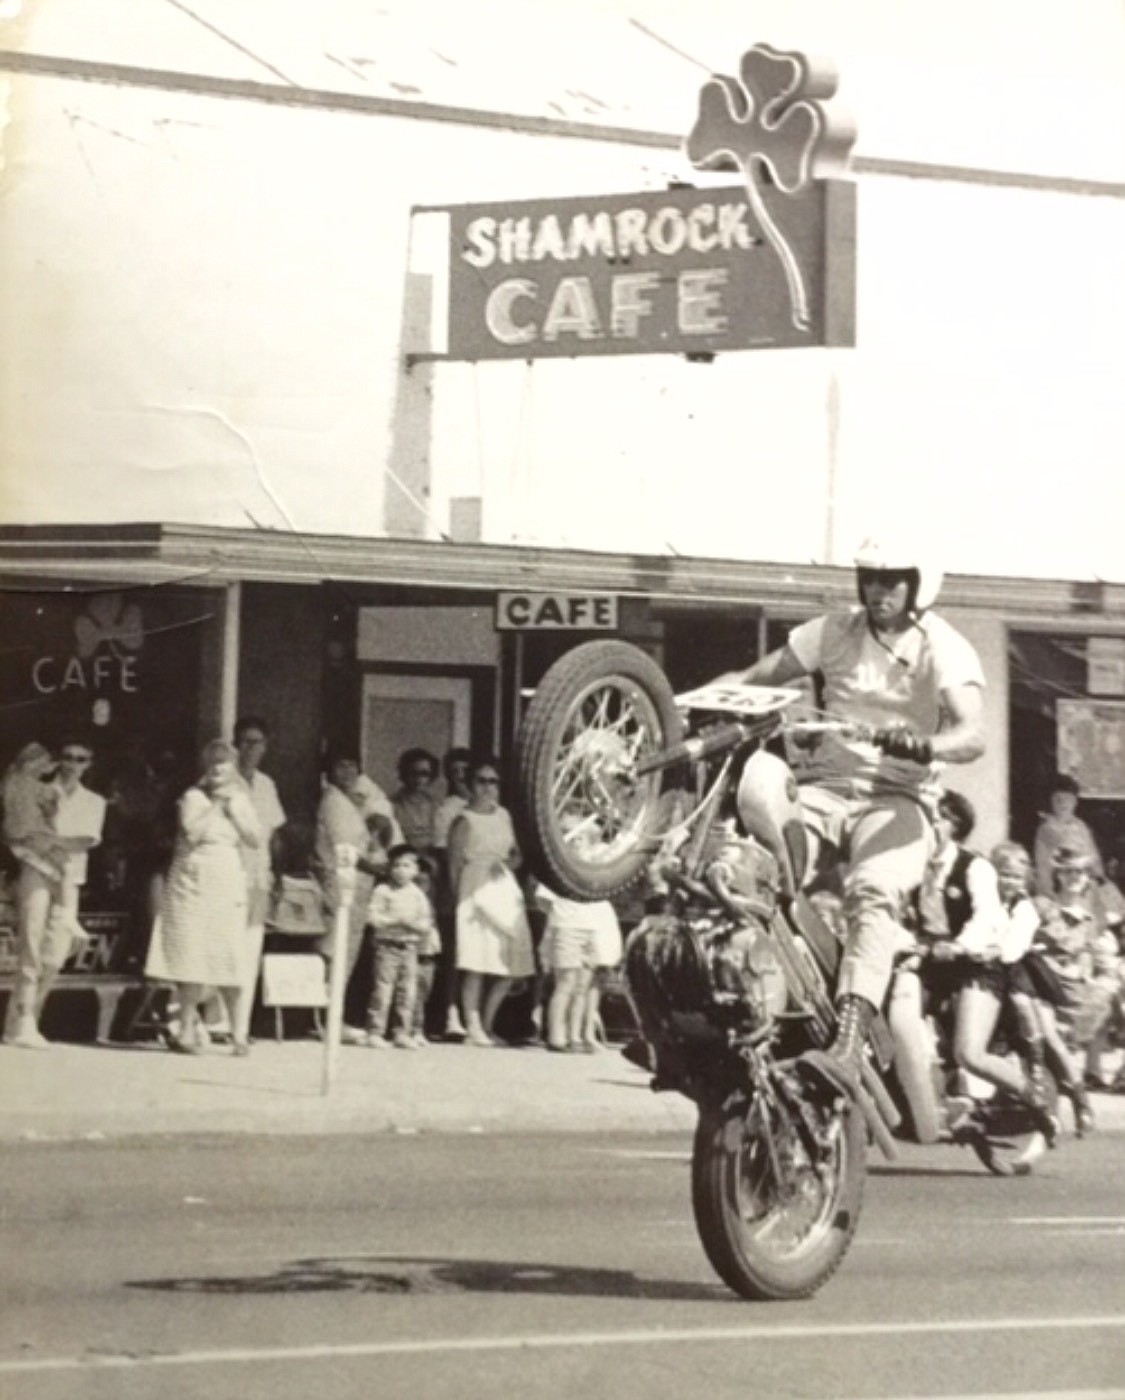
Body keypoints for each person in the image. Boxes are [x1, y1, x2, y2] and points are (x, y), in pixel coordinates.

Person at [718, 537, 987, 1100]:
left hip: (899, 800)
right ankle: (723, 1011)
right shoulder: (833, 629)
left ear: (918, 583)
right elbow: (761, 675)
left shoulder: (944, 646)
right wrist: (703, 698)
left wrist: (921, 744)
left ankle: (849, 1039)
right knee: (750, 863)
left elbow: (972, 734)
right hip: (824, 790)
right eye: (869, 577)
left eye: (890, 579)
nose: (877, 590)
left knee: (873, 890)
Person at [144, 739, 261, 1055]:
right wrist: (216, 806)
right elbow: (193, 831)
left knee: (229, 955)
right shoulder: (192, 797)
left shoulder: (242, 798)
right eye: (212, 764)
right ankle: (186, 1030)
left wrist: (235, 810)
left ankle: (239, 1033)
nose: (217, 769)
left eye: (224, 764)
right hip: (192, 880)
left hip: (226, 877)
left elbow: (254, 838)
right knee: (191, 957)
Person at [1, 741, 96, 1050]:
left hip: (66, 875)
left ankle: (25, 1017)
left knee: (54, 955)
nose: (72, 763)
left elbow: (86, 841)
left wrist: (51, 841)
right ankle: (24, 1019)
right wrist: (48, 841)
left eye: (80, 759)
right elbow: (17, 828)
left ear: (89, 764)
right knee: (31, 941)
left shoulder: (94, 801)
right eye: (66, 757)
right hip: (33, 867)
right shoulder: (30, 789)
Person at [448, 757, 535, 1047]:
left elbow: (519, 855)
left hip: (503, 887)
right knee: (476, 961)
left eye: (493, 781)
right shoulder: (463, 819)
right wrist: (457, 900)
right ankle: (472, 1026)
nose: (488, 787)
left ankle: (487, 1025)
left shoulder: (504, 816)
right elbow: (454, 864)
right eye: (481, 781)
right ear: (470, 785)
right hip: (474, 887)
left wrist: (508, 865)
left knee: (509, 963)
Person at [313, 749, 388, 1044]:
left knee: (347, 952)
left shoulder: (351, 802)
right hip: (339, 884)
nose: (347, 771)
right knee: (335, 950)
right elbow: (346, 852)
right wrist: (378, 868)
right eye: (340, 764)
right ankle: (327, 1018)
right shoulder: (333, 802)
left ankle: (335, 1015)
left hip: (357, 888)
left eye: (352, 765)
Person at [232, 716, 287, 1046]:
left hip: (259, 876)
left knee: (251, 950)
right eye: (245, 741)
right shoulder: (224, 781)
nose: (250, 748)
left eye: (257, 742)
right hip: (229, 875)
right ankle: (216, 1021)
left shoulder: (266, 784)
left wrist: (277, 876)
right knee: (226, 946)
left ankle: (241, 1024)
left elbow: (275, 834)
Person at [363, 844, 437, 1049]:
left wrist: (413, 925)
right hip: (387, 946)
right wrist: (393, 920)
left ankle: (402, 1032)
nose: (400, 870)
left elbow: (425, 922)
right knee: (383, 990)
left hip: (409, 948)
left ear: (415, 870)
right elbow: (373, 917)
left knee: (407, 992)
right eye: (396, 865)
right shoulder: (383, 890)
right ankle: (375, 1031)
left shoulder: (418, 894)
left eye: (406, 866)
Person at [537, 880, 622, 1052]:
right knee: (565, 984)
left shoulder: (597, 870)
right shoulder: (561, 867)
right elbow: (542, 899)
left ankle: (574, 1036)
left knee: (582, 987)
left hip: (593, 928)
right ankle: (556, 1036)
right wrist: (562, 914)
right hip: (567, 927)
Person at [433, 746, 472, 1039]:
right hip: (455, 884)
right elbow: (444, 853)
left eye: (465, 772)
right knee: (454, 953)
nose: (460, 778)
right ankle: (450, 1013)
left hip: (482, 884)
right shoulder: (448, 810)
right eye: (454, 773)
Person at [1033, 774, 1103, 897]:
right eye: (1058, 799)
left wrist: (1097, 876)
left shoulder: (1081, 826)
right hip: (1058, 886)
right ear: (1051, 801)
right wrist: (1048, 892)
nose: (1062, 803)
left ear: (1075, 802)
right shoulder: (1046, 828)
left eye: (1067, 799)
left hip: (1082, 885)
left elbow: (1093, 858)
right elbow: (1043, 864)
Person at [391, 747, 440, 865]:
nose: (418, 779)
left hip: (432, 864)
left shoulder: (436, 804)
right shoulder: (393, 804)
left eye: (424, 774)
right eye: (413, 773)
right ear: (404, 774)